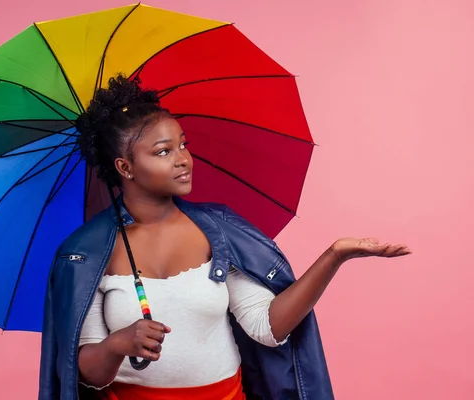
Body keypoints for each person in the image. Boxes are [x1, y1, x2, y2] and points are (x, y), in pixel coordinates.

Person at [38, 75, 410, 400]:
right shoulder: (83, 252)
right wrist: (119, 342)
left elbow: (266, 328)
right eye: (163, 151)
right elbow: (87, 372)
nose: (183, 159)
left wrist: (334, 256)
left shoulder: (217, 230)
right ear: (125, 167)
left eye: (183, 144)